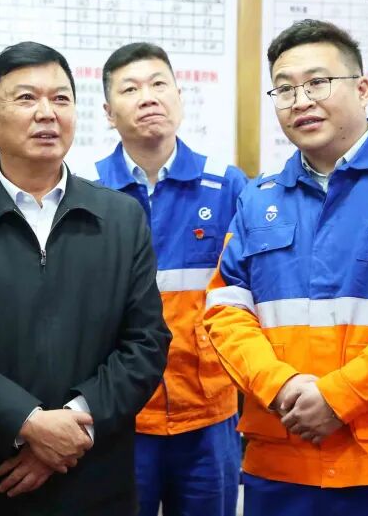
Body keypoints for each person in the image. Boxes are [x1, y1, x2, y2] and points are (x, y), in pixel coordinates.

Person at [204, 19, 368, 516]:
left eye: (317, 82)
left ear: (363, 89)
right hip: (283, 461)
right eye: (285, 89)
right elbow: (224, 311)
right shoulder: (258, 198)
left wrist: (340, 395)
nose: (301, 101)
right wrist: (281, 386)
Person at [0, 41, 170, 515]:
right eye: (26, 98)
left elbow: (146, 343)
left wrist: (73, 424)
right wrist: (27, 424)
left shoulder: (121, 219)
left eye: (61, 99)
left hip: (94, 481)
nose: (47, 113)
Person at [94, 43, 246, 516]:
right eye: (130, 89)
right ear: (108, 113)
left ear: (179, 96)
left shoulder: (227, 186)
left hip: (209, 410)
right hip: (121, 414)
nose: (148, 97)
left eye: (159, 84)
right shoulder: (88, 193)